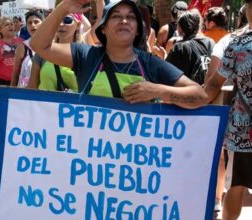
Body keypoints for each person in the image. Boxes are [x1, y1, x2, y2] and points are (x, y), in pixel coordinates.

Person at [30, 0, 206, 109]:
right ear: (103, 28)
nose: (124, 21)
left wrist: (157, 90)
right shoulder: (85, 55)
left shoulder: (151, 63)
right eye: (115, 16)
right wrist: (65, 7)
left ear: (137, 30)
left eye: (130, 17)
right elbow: (39, 45)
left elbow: (199, 96)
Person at [199, 1, 252, 219]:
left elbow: (212, 86)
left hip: (244, 128)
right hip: (243, 128)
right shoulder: (237, 43)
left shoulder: (238, 44)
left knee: (237, 183)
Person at [165, 10, 215, 85]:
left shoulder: (179, 47)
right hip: (206, 90)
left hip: (186, 92)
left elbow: (167, 73)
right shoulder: (211, 42)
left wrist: (163, 55)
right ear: (198, 25)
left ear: (180, 28)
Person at [0, 17, 23, 96]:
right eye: (7, 25)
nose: (10, 26)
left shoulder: (21, 42)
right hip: (3, 83)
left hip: (20, 82)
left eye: (11, 24)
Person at [10, 10, 44, 87]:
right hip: (25, 94)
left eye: (36, 22)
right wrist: (11, 93)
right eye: (29, 23)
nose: (33, 25)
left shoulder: (51, 45)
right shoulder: (23, 46)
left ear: (43, 23)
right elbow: (15, 73)